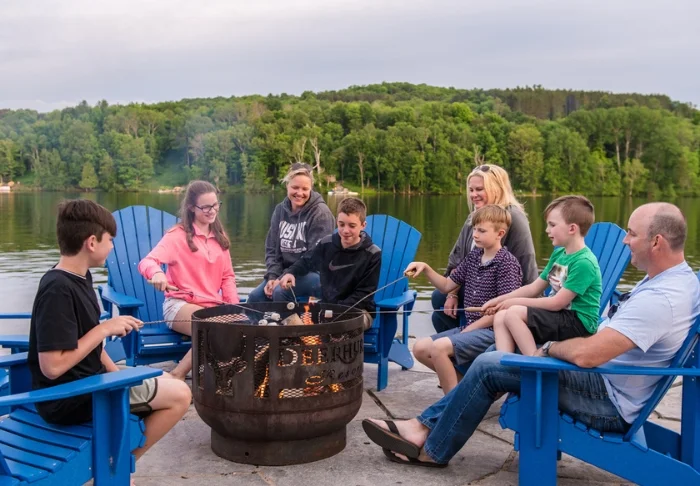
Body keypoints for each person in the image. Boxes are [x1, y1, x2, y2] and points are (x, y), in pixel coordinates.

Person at [362, 202, 700, 467]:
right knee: (495, 358)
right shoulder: (668, 280)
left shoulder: (661, 298)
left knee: (491, 365)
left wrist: (547, 348)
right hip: (607, 383)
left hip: (607, 399)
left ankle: (431, 446)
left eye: (632, 234)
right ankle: (422, 428)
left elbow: (588, 354)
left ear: (656, 241)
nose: (625, 240)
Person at [28, 199, 191, 469]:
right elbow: (52, 367)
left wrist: (116, 373)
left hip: (90, 382)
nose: (113, 246)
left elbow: (89, 343)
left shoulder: (80, 277)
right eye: (110, 240)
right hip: (70, 398)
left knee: (166, 378)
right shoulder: (57, 290)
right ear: (92, 242)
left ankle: (116, 465)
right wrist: (104, 329)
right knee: (181, 395)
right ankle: (118, 469)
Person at [404, 205, 522, 393]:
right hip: (470, 328)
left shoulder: (507, 263)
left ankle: (451, 403)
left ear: (500, 234)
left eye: (481, 230)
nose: (475, 234)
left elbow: (504, 310)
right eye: (474, 229)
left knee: (439, 348)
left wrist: (468, 331)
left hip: (493, 331)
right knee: (420, 348)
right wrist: (425, 267)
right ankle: (463, 391)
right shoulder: (474, 256)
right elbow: (446, 286)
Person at [138, 180, 239, 380]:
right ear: (192, 207)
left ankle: (220, 380)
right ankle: (178, 374)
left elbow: (227, 277)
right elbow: (147, 262)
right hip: (179, 306)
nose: (212, 211)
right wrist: (157, 274)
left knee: (237, 327)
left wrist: (233, 307)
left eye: (215, 205)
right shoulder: (177, 236)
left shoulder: (220, 237)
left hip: (212, 307)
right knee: (213, 328)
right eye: (206, 207)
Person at [486, 195, 602, 356]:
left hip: (578, 323)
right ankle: (504, 360)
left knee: (513, 313)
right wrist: (500, 300)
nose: (547, 230)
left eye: (552, 225)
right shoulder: (560, 254)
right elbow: (533, 288)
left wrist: (513, 302)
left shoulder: (584, 263)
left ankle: (534, 358)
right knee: (500, 316)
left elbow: (556, 303)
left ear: (572, 229)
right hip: (560, 317)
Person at [431, 164, 537, 334]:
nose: (474, 195)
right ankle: (460, 341)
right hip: (474, 284)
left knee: (440, 300)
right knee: (439, 307)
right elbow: (457, 260)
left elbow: (527, 263)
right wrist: (452, 294)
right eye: (471, 190)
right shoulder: (477, 216)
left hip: (501, 292)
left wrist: (524, 305)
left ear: (496, 188)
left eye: (479, 189)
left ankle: (466, 338)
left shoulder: (513, 217)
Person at [279, 197, 381, 330]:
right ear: (337, 221)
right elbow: (306, 261)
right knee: (295, 324)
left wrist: (336, 310)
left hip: (359, 311)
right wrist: (291, 272)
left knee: (339, 325)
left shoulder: (373, 253)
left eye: (352, 226)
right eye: (341, 224)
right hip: (328, 307)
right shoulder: (326, 243)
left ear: (363, 225)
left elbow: (364, 293)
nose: (345, 230)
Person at [248, 163, 335, 303]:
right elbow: (271, 249)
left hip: (314, 274)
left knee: (280, 292)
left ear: (311, 188)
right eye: (295, 187)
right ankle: (264, 319)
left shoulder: (320, 213)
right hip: (284, 273)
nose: (299, 193)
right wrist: (272, 276)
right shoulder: (280, 210)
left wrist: (289, 273)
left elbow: (316, 257)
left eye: (305, 189)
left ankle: (290, 318)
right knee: (255, 298)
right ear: (287, 186)